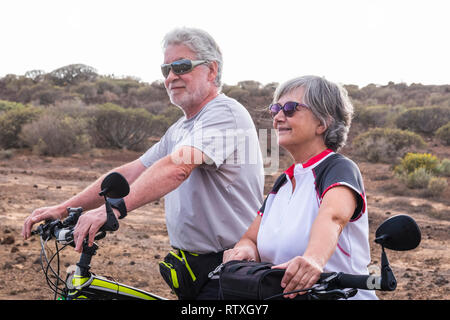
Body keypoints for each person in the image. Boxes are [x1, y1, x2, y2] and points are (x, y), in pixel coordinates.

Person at [22, 27, 264, 300]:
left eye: (182, 66)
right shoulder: (180, 129)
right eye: (166, 70)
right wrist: (61, 208)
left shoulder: (225, 113)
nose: (172, 77)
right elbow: (131, 172)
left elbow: (178, 167)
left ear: (211, 70)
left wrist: (112, 209)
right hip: (193, 268)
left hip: (230, 267)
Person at [223, 75, 378, 300]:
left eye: (290, 108)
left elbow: (333, 217)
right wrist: (246, 250)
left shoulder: (337, 168)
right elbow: (251, 238)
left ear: (323, 122)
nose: (277, 117)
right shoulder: (284, 183)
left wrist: (314, 259)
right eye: (275, 108)